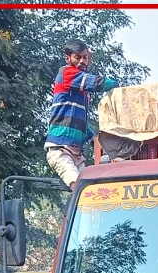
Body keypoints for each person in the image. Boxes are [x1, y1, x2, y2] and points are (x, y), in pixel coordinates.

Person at [45, 39, 118, 191]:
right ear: (68, 59)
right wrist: (115, 86)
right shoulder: (67, 74)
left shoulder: (81, 92)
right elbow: (96, 83)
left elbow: (81, 121)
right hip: (60, 150)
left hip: (77, 154)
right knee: (79, 187)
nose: (82, 61)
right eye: (77, 57)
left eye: (85, 57)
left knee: (91, 191)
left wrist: (94, 138)